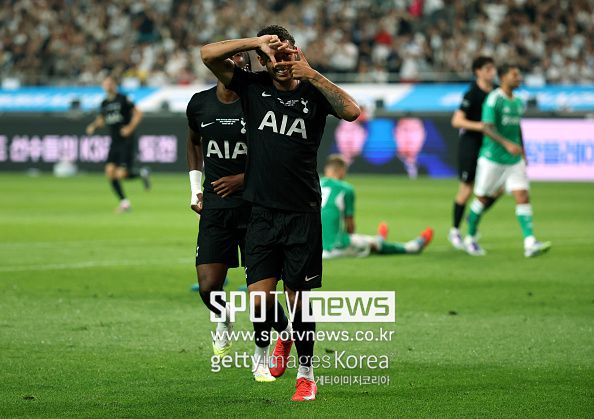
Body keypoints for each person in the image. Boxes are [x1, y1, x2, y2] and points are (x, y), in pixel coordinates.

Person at [201, 24, 360, 401]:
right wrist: (257, 43)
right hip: (260, 213)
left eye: (287, 53)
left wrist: (312, 73)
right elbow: (207, 54)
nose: (281, 62)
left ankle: (306, 375)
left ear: (297, 52)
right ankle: (284, 335)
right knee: (259, 303)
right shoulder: (252, 86)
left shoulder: (313, 90)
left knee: (299, 299)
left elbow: (352, 112)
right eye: (273, 56)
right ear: (263, 60)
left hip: (302, 212)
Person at [186, 52, 251, 357]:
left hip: (254, 206)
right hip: (215, 206)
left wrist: (243, 179)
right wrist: (194, 189)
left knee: (261, 292)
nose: (233, 65)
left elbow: (275, 152)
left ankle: (269, 351)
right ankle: (224, 315)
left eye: (240, 61)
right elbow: (193, 142)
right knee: (208, 286)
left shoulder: (257, 103)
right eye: (228, 61)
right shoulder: (200, 103)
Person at [464, 64, 551, 257]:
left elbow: (517, 128)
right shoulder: (494, 99)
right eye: (515, 75)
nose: (518, 78)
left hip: (514, 160)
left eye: (519, 75)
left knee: (522, 195)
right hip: (493, 159)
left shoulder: (518, 101)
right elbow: (487, 127)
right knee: (482, 198)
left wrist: (523, 152)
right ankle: (470, 238)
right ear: (503, 77)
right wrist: (506, 144)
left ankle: (530, 242)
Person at [321, 154, 433, 259]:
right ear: (341, 170)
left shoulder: (315, 185)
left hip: (315, 248)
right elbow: (350, 226)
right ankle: (411, 247)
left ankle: (378, 239)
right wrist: (351, 239)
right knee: (373, 245)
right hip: (333, 248)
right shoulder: (345, 189)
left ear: (327, 169)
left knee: (359, 240)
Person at [449, 56, 497, 249]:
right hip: (471, 143)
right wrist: (480, 126)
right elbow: (456, 121)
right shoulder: (472, 94)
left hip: (491, 145)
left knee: (497, 187)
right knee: (466, 189)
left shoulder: (497, 93)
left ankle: (473, 216)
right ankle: (455, 230)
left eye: (493, 68)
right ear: (478, 71)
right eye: (487, 69)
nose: (492, 72)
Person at [86, 75, 150, 212]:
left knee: (121, 174)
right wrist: (93, 126)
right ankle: (124, 203)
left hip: (126, 141)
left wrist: (130, 128)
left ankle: (140, 173)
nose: (108, 85)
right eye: (106, 83)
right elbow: (101, 120)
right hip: (114, 141)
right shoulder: (104, 103)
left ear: (114, 84)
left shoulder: (123, 98)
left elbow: (138, 113)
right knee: (110, 172)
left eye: (110, 83)